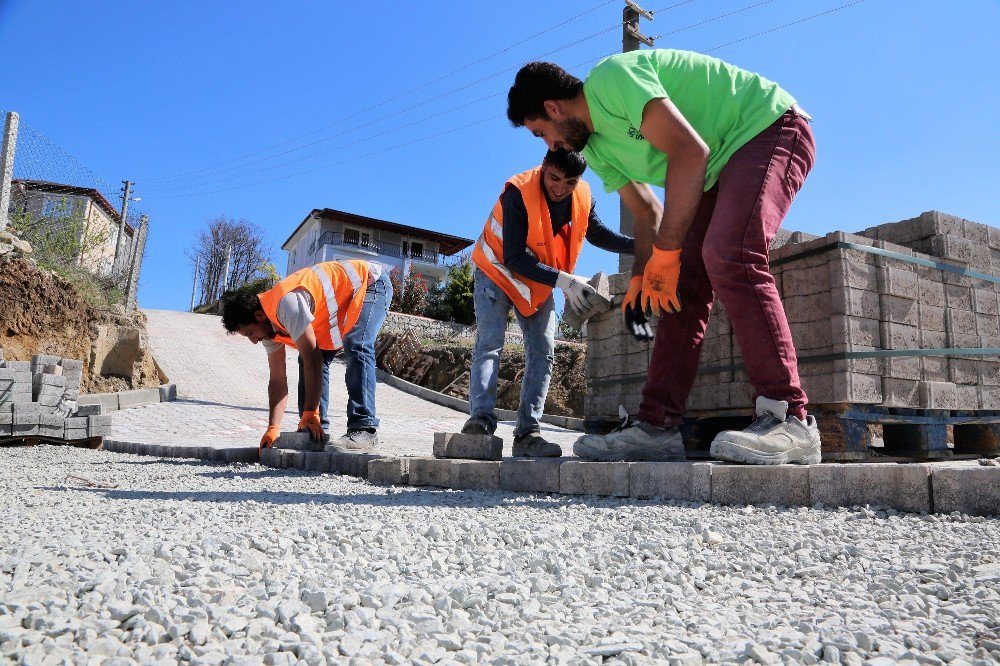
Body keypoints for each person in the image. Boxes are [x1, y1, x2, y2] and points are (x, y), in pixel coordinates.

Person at [506, 49, 820, 465]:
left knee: (730, 253)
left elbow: (689, 152)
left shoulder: (612, 79)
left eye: (541, 132)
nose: (551, 144)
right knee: (679, 288)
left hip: (765, 127)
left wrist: (667, 252)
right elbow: (647, 212)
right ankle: (656, 426)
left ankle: (790, 418)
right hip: (712, 167)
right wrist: (642, 279)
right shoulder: (596, 150)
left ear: (552, 107)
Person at [467, 148, 634, 457]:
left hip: (537, 278)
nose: (560, 187)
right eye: (554, 178)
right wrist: (567, 282)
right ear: (543, 167)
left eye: (570, 182)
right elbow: (514, 257)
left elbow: (596, 233)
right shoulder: (518, 192)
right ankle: (480, 422)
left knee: (544, 353)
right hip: (496, 270)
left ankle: (528, 433)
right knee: (490, 344)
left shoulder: (582, 197)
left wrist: (641, 246)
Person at [221, 259, 392, 453]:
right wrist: (273, 427)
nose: (253, 340)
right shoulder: (269, 330)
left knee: (357, 343)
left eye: (250, 333)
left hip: (370, 283)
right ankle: (316, 432)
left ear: (259, 316)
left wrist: (310, 410)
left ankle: (364, 429)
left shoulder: (287, 304)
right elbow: (277, 380)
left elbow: (314, 359)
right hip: (341, 305)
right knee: (307, 357)